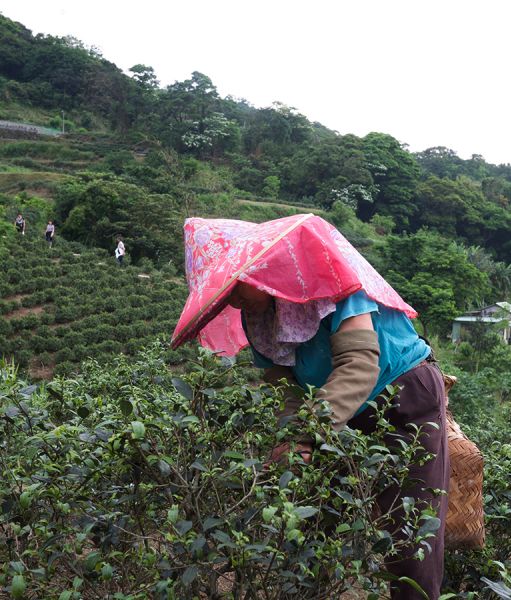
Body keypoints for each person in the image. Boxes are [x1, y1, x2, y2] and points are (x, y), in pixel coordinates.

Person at [172, 214, 448, 600]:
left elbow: (359, 367)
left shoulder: (329, 279)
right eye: (223, 292)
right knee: (311, 520)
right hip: (330, 414)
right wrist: (291, 440)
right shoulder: (257, 319)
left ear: (260, 270)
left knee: (409, 531)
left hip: (401, 397)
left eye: (235, 285)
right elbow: (286, 390)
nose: (231, 298)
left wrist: (305, 433)